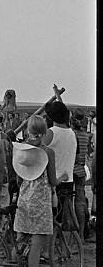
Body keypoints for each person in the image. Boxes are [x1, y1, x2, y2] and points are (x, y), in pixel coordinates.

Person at [8, 115, 57, 267]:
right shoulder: (48, 153)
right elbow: (52, 180)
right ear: (44, 132)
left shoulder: (22, 151)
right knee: (36, 245)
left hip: (24, 198)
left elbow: (20, 178)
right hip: (41, 200)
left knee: (19, 241)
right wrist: (60, 178)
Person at [42, 94, 79, 233]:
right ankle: (64, 250)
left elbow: (37, 153)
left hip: (53, 181)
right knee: (64, 221)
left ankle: (48, 251)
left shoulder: (51, 132)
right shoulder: (72, 133)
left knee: (51, 221)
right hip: (68, 180)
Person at [70, 109, 92, 241]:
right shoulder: (85, 135)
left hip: (72, 169)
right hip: (81, 169)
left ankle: (74, 233)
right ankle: (82, 233)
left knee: (70, 202)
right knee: (81, 201)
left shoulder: (73, 134)